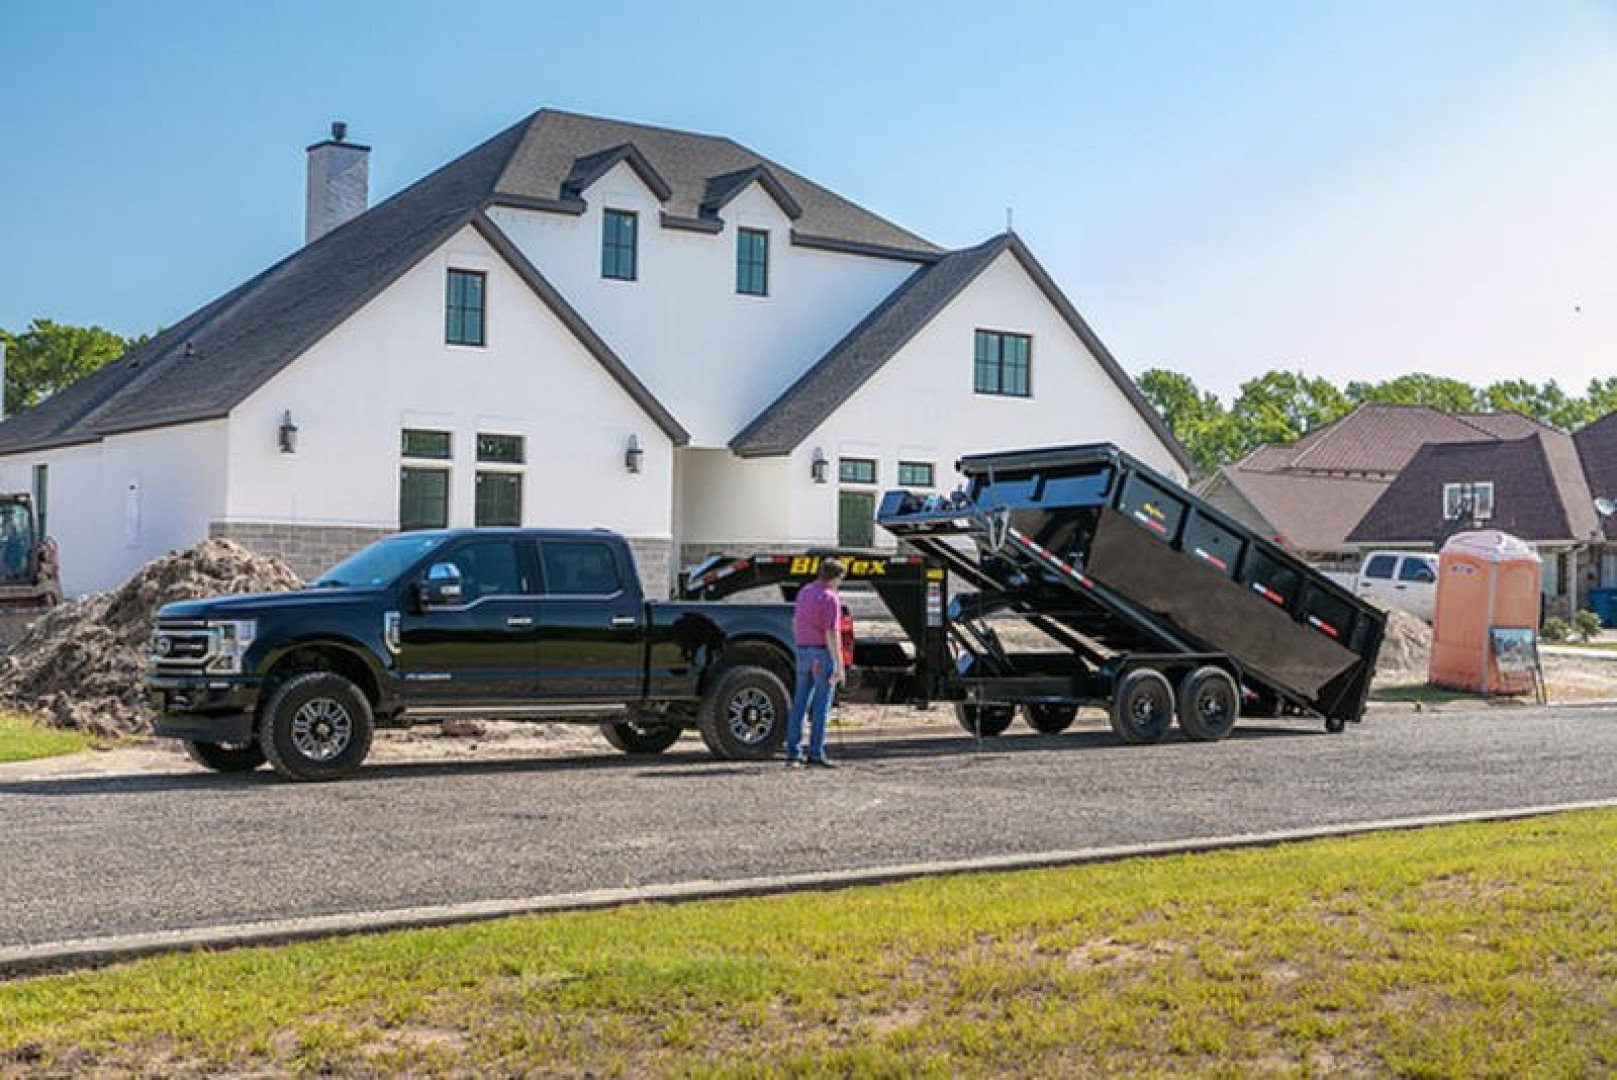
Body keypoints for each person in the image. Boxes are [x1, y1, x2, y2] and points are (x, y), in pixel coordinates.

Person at [784, 557, 846, 768]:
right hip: (822, 653)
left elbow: (795, 621)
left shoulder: (805, 592)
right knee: (821, 707)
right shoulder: (831, 597)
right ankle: (816, 753)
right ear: (836, 577)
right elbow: (832, 633)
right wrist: (839, 664)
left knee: (799, 703)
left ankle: (793, 754)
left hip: (802, 650)